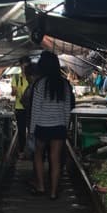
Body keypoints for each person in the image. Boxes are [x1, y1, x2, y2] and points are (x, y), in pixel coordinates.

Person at [29, 51, 74, 200]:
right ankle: (54, 192)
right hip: (59, 126)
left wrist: (32, 129)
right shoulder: (64, 84)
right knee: (55, 159)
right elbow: (67, 108)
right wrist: (65, 127)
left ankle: (41, 186)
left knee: (38, 155)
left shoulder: (40, 84)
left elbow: (36, 108)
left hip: (42, 125)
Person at [11, 57, 31, 155]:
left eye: (27, 65)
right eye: (23, 65)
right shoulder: (16, 77)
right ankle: (22, 151)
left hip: (31, 108)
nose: (25, 67)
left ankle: (32, 151)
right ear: (20, 65)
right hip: (20, 108)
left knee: (32, 131)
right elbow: (13, 92)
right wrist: (14, 91)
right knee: (21, 131)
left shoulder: (32, 77)